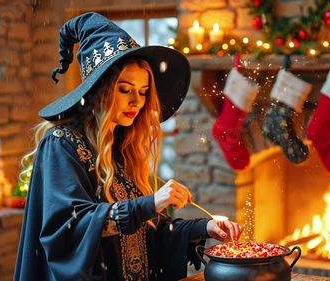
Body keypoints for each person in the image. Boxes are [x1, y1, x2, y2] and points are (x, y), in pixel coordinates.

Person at [14, 12, 243, 281]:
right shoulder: (62, 145)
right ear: (100, 90)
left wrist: (204, 226)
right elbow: (71, 228)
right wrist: (150, 203)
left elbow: (148, 234)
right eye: (125, 89)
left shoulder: (123, 149)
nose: (137, 101)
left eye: (144, 92)